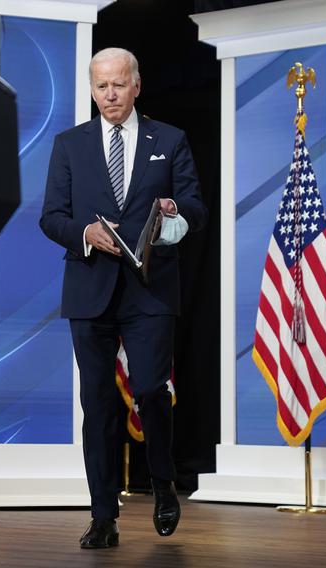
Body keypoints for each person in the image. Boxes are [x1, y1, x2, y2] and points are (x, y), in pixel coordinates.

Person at [39, 47, 207, 548]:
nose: (109, 95)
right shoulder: (69, 144)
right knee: (98, 404)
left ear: (136, 85)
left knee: (152, 391)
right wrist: (86, 233)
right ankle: (104, 516)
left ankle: (162, 483)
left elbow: (196, 207)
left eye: (117, 85)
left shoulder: (170, 140)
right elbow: (52, 217)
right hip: (90, 291)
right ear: (91, 89)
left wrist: (174, 216)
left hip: (150, 288)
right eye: (100, 86)